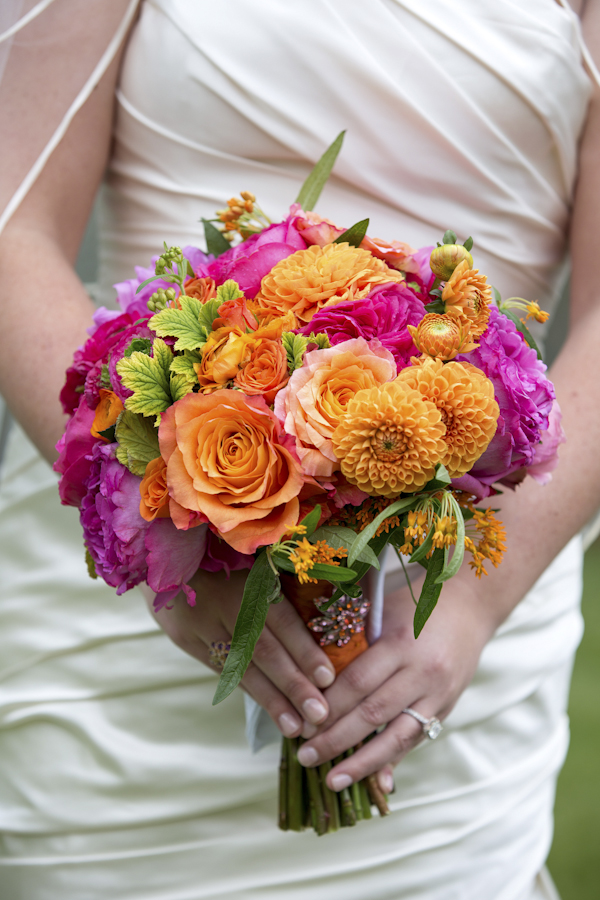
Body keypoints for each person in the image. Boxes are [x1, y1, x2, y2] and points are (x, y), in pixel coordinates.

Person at [0, 0, 599, 897]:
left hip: (451, 612)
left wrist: (472, 606)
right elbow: (13, 223)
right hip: (131, 618)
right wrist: (170, 533)